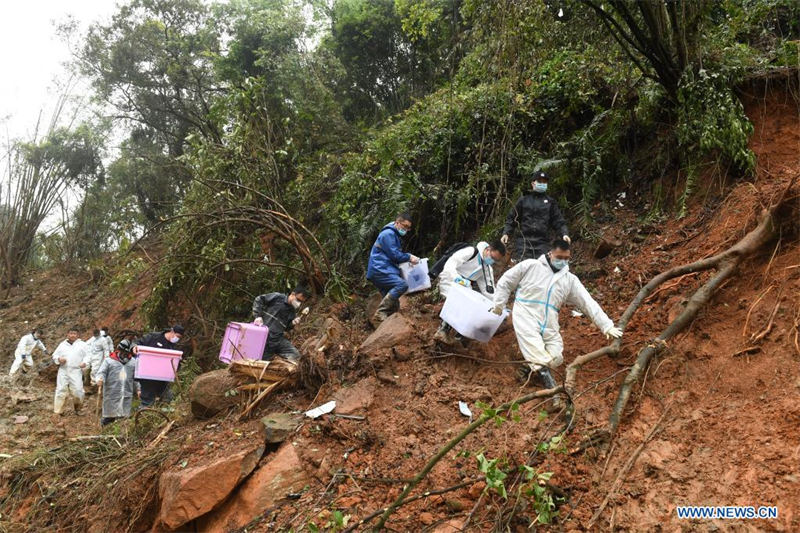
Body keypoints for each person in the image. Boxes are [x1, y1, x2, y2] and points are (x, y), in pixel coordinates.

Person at [492, 239, 622, 395]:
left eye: (566, 258)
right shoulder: (531, 266)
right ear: (550, 253)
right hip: (525, 314)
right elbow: (506, 282)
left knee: (556, 357)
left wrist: (606, 326)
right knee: (537, 354)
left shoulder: (569, 280)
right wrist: (499, 305)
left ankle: (527, 368)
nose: (563, 261)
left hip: (549, 320)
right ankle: (554, 395)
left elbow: (587, 302)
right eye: (559, 257)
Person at [434, 240, 507, 344]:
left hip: (464, 286)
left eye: (495, 260)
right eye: (492, 257)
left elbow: (488, 291)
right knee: (460, 302)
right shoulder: (471, 252)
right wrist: (457, 278)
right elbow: (451, 263)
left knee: (474, 306)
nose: (492, 260)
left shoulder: (486, 268)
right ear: (488, 249)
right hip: (450, 279)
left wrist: (500, 306)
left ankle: (460, 336)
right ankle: (442, 330)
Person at [501, 170, 570, 261]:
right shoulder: (523, 200)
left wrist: (564, 234)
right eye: (539, 182)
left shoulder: (550, 202)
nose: (542, 184)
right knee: (523, 266)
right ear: (533, 183)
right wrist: (506, 233)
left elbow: (558, 221)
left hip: (542, 243)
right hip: (523, 242)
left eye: (544, 182)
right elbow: (512, 218)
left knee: (541, 267)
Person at [366, 212, 420, 322]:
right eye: (405, 226)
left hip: (381, 269)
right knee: (402, 285)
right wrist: (409, 257)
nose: (406, 229)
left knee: (394, 307)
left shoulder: (393, 234)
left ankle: (384, 325)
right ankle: (380, 312)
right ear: (397, 222)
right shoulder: (388, 234)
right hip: (380, 269)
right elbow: (395, 255)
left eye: (408, 228)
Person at [252, 287, 310, 361]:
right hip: (263, 335)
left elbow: (286, 328)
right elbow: (259, 299)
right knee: (258, 359)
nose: (299, 303)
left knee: (295, 355)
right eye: (298, 300)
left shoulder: (292, 312)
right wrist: (258, 316)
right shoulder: (278, 297)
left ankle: (281, 366)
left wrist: (292, 323)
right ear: (292, 294)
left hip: (277, 339)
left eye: (301, 302)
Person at [134, 325, 184, 407]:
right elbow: (137, 343)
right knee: (147, 401)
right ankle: (144, 413)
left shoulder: (173, 346)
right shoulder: (154, 337)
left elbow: (176, 363)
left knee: (168, 398)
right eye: (177, 336)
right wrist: (134, 347)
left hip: (163, 378)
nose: (177, 339)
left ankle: (160, 412)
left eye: (179, 338)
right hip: (147, 375)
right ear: (172, 332)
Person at [96, 339, 137, 426]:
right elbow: (101, 372)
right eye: (123, 352)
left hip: (127, 393)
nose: (125, 355)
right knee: (109, 416)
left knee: (124, 416)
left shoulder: (133, 363)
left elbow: (136, 378)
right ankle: (105, 427)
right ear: (118, 350)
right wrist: (100, 379)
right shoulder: (109, 361)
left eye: (127, 353)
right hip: (111, 393)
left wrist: (139, 389)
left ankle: (120, 430)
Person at [52, 326, 89, 415]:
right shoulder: (62, 344)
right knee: (61, 390)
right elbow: (55, 355)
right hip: (63, 370)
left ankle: (78, 409)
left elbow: (88, 355)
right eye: (71, 333)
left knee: (78, 390)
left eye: (74, 334)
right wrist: (59, 359)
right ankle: (58, 411)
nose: (72, 335)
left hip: (76, 370)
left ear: (78, 335)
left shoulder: (82, 345)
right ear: (67, 334)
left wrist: (85, 362)